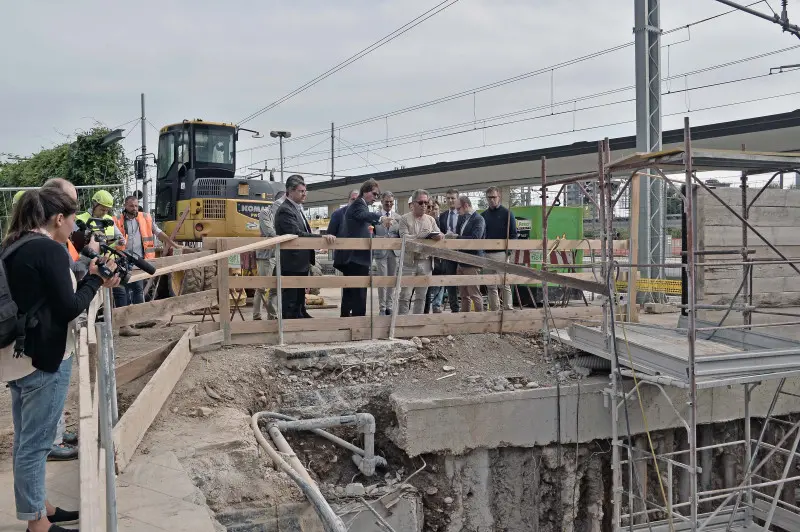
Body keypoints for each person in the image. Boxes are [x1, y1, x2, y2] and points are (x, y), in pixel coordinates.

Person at [0, 187, 118, 532]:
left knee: (26, 441)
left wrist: (88, 274)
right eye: (72, 220)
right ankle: (37, 523)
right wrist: (96, 278)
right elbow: (68, 306)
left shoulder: (13, 245)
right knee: (36, 445)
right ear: (58, 219)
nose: (75, 229)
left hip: (17, 357)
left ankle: (41, 506)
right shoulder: (48, 249)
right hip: (43, 358)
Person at [112, 195, 182, 336]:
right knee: (123, 291)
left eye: (136, 206)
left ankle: (140, 318)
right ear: (125, 206)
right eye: (132, 206)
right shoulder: (117, 220)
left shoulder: (145, 218)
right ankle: (125, 323)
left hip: (139, 260)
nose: (135, 208)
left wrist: (173, 244)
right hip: (122, 259)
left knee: (138, 288)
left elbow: (158, 233)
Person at [275, 175, 335, 319]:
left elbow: (303, 231)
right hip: (292, 263)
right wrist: (321, 237)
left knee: (299, 297)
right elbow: (297, 234)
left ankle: (301, 313)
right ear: (290, 191)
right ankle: (291, 324)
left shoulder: (296, 209)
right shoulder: (285, 210)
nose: (304, 194)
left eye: (305, 191)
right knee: (291, 299)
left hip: (300, 262)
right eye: (301, 191)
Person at [334, 179, 391, 317]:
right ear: (365, 191)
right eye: (374, 194)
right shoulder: (359, 204)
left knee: (350, 292)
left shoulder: (361, 205)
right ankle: (358, 324)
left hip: (356, 257)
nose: (376, 198)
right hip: (356, 258)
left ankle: (347, 321)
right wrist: (381, 218)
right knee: (359, 294)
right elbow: (364, 215)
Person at [398, 189, 442, 315]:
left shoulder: (431, 220)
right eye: (421, 202)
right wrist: (422, 236)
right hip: (409, 262)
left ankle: (417, 323)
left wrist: (440, 236)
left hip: (426, 262)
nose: (424, 205)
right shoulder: (404, 219)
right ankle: (402, 323)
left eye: (426, 203)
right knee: (405, 296)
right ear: (413, 203)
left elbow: (439, 233)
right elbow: (404, 238)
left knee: (421, 296)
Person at [447, 196, 486, 312]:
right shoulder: (464, 218)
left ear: (465, 205)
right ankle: (465, 321)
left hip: (472, 260)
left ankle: (480, 321)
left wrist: (456, 237)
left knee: (474, 293)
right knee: (464, 295)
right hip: (462, 259)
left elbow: (476, 238)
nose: (457, 212)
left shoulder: (478, 219)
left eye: (458, 209)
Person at [482, 186, 517, 311]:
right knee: (491, 285)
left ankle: (508, 308)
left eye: (494, 197)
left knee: (504, 284)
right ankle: (494, 310)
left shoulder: (507, 214)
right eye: (489, 197)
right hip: (486, 254)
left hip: (502, 253)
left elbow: (514, 235)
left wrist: (509, 253)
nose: (492, 200)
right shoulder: (483, 215)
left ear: (499, 197)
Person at [253, 190, 286, 321]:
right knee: (262, 287)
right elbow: (270, 232)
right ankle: (256, 316)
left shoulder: (284, 214)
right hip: (266, 255)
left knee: (275, 288)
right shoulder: (265, 213)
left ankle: (272, 316)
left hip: (279, 254)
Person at [373, 192, 401, 316]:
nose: (389, 204)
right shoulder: (375, 217)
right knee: (382, 280)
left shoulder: (398, 217)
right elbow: (372, 234)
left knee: (392, 280)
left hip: (394, 253)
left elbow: (401, 234)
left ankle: (389, 306)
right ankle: (382, 308)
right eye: (386, 202)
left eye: (391, 202)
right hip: (381, 252)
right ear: (382, 202)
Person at [438, 188, 462, 313]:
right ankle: (455, 309)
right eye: (448, 198)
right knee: (450, 281)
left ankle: (466, 309)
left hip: (462, 252)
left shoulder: (463, 215)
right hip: (447, 253)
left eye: (453, 198)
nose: (450, 200)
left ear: (457, 199)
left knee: (463, 282)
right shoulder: (442, 216)